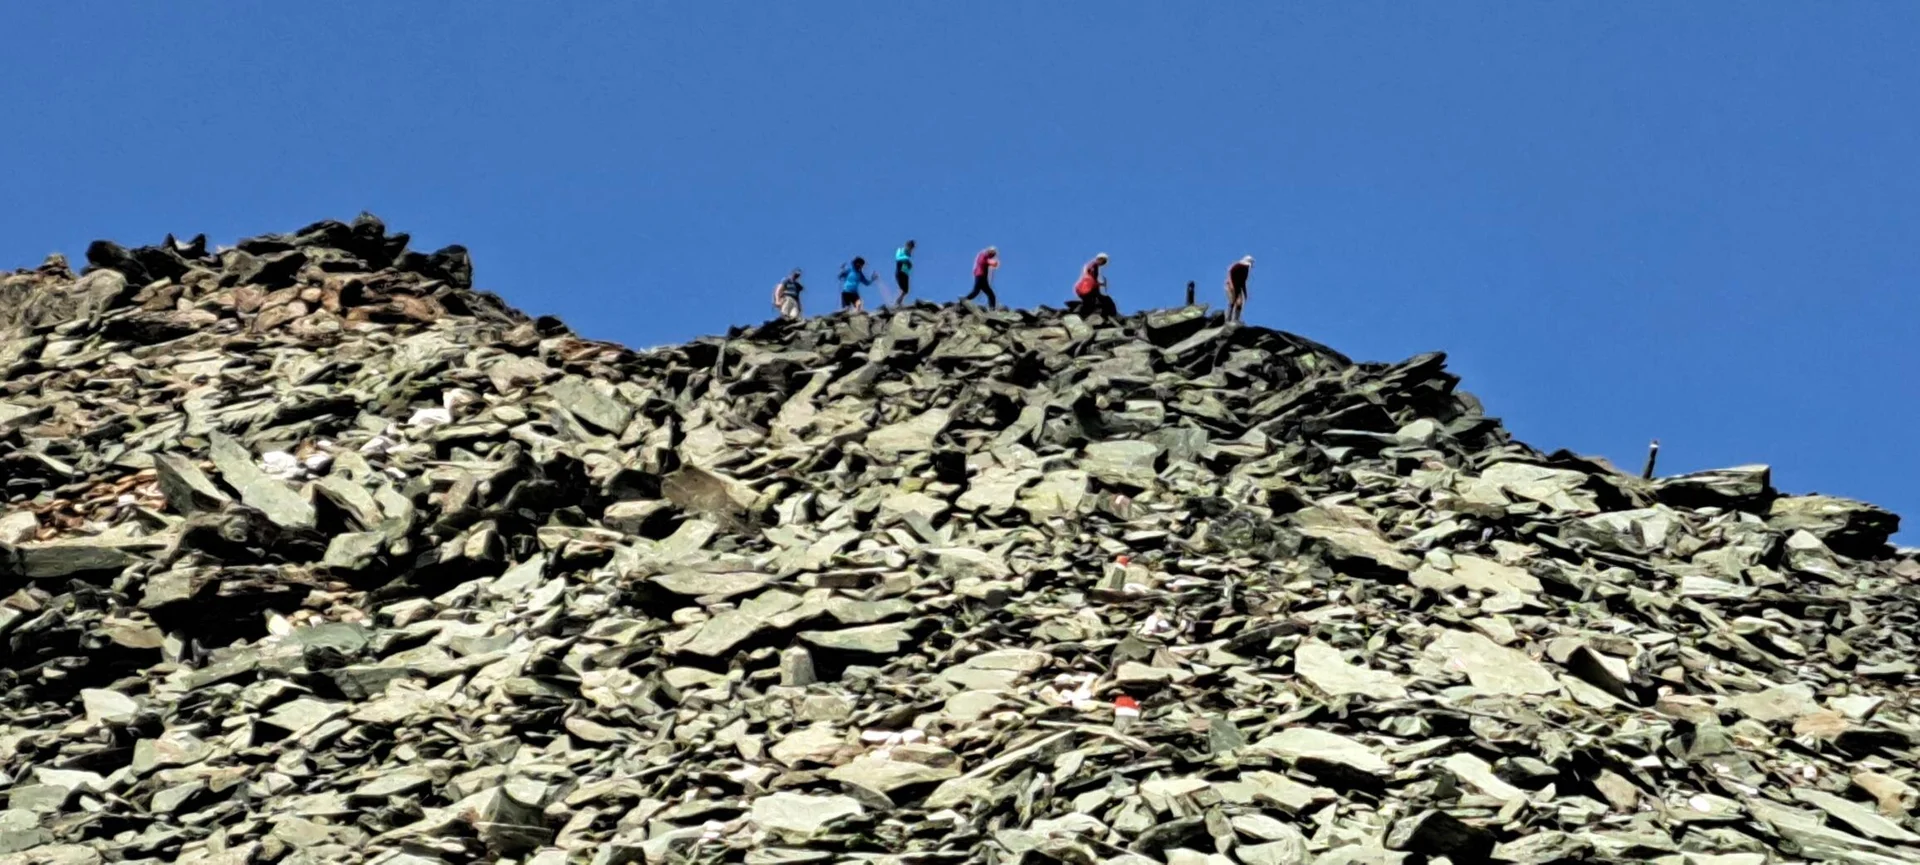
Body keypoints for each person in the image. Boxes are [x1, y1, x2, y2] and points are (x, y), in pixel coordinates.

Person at [1072, 252, 1116, 317]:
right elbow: (1092, 280)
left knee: (1090, 303)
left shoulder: (1090, 265)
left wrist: (1099, 284)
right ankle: (1108, 315)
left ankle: (1083, 315)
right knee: (1104, 300)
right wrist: (1100, 284)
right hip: (1088, 289)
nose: (1103, 263)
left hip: (1084, 289)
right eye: (1103, 261)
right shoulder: (1093, 266)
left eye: (1104, 262)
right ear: (1100, 259)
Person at [1225, 255, 1253, 323]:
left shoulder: (1246, 270)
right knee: (1232, 301)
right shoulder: (1239, 266)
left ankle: (1236, 319)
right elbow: (1230, 272)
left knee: (1239, 303)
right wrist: (1231, 284)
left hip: (1238, 286)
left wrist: (1245, 293)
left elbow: (1243, 282)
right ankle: (1228, 319)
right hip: (1231, 285)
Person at [893, 240, 915, 306]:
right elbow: (897, 258)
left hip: (905, 273)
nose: (911, 249)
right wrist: (907, 260)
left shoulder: (908, 254)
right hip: (899, 272)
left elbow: (907, 264)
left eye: (912, 248)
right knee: (903, 289)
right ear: (907, 245)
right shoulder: (900, 250)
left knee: (906, 291)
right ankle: (897, 302)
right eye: (910, 247)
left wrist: (909, 265)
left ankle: (898, 302)